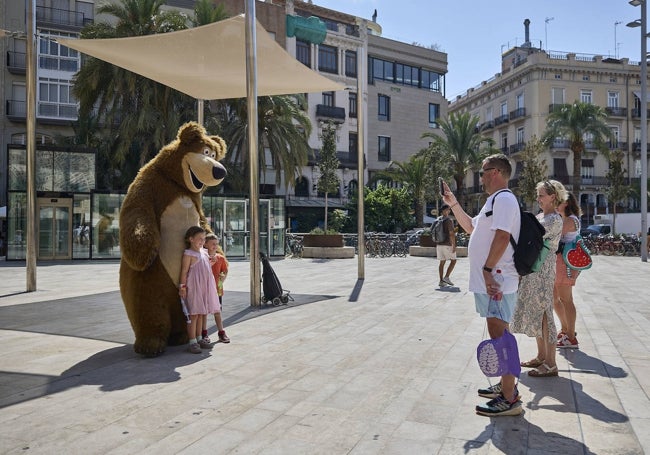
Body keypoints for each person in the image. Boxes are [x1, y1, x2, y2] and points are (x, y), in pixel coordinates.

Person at [442, 153, 522, 417]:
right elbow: (471, 227)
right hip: (491, 280)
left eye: (483, 170)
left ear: (496, 172)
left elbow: (502, 236)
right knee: (498, 334)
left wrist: (487, 270)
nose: (480, 175)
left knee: (502, 337)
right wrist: (453, 204)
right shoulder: (493, 201)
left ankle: (510, 399)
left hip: (497, 279)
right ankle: (506, 387)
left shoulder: (505, 199)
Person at [511, 180, 566, 377]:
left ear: (553, 196)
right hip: (533, 271)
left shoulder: (554, 219)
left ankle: (551, 363)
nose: (538, 199)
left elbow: (532, 236)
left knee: (544, 314)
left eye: (542, 195)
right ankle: (542, 356)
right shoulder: (541, 216)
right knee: (536, 312)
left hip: (542, 272)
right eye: (538, 195)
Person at [178, 226, 221, 354]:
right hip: (195, 287)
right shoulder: (188, 254)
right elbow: (184, 272)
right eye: (199, 239)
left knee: (202, 313)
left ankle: (199, 338)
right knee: (194, 314)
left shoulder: (203, 252)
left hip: (205, 286)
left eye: (203, 239)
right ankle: (192, 341)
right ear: (191, 239)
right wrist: (182, 287)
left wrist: (212, 262)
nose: (202, 241)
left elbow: (205, 267)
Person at [553, 192, 582, 349]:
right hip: (558, 263)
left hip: (565, 264)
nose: (555, 203)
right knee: (554, 298)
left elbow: (553, 234)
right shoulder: (562, 219)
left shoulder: (571, 220)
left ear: (567, 203)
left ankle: (571, 337)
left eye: (558, 201)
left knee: (566, 300)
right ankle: (565, 329)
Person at [203, 233, 230, 344]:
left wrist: (222, 280)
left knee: (217, 311)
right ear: (205, 244)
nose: (215, 246)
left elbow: (225, 270)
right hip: (204, 289)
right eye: (213, 244)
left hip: (217, 290)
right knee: (203, 312)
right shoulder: (202, 257)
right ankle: (204, 333)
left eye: (216, 244)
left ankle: (221, 333)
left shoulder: (220, 258)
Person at [436, 204, 457, 287]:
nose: (449, 211)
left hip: (439, 244)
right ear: (444, 211)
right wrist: (454, 245)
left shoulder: (438, 219)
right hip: (447, 244)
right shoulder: (449, 220)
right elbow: (451, 234)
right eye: (448, 209)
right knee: (453, 260)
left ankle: (441, 281)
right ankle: (447, 277)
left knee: (442, 262)